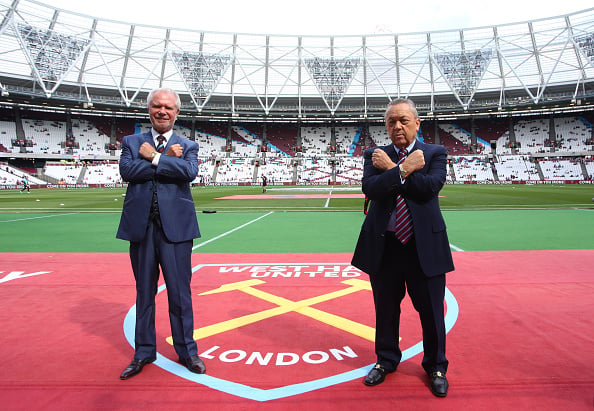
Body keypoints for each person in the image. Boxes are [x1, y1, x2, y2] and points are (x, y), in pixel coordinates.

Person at [351, 98, 454, 397]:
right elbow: (371, 189)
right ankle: (385, 360)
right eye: (391, 121)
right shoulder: (374, 154)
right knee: (385, 309)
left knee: (432, 311)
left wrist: (393, 170)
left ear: (417, 123)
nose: (397, 126)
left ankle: (436, 366)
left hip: (424, 247)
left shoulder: (435, 152)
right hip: (386, 246)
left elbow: (428, 190)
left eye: (404, 120)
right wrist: (403, 169)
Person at [116, 87, 205, 380]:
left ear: (176, 112)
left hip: (176, 230)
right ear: (149, 110)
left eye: (168, 107)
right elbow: (128, 172)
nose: (162, 111)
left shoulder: (187, 145)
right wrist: (168, 160)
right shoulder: (131, 141)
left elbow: (188, 173)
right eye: (157, 106)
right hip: (141, 228)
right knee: (144, 292)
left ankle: (187, 351)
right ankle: (143, 351)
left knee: (180, 294)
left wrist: (154, 157)